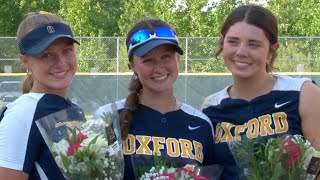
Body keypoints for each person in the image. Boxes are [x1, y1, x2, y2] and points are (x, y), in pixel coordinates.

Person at [200, 4, 320, 179]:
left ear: (272, 50)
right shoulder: (210, 108)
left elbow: (317, 161)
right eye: (233, 41)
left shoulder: (302, 92)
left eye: (254, 44)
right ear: (222, 42)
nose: (241, 52)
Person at [94, 18, 216, 179]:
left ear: (178, 59)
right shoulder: (108, 118)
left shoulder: (201, 124)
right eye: (148, 60)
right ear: (132, 66)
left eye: (166, 57)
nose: (158, 68)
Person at [0, 11, 84, 179]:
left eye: (67, 50)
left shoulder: (74, 109)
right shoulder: (23, 113)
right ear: (26, 61)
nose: (61, 62)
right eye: (47, 54)